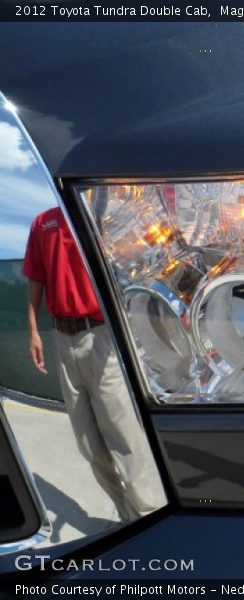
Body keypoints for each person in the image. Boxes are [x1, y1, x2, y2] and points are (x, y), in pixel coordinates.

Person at [24, 206, 164, 521]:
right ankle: (126, 514)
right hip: (63, 338)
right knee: (87, 442)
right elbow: (36, 277)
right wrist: (33, 331)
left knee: (123, 434)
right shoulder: (42, 221)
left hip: (101, 335)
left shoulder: (101, 214)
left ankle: (147, 515)